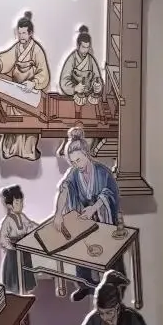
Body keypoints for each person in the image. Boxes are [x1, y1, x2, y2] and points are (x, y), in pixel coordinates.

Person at [53, 126, 123, 301]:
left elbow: (108, 194)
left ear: (87, 154)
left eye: (79, 160)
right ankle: (85, 285)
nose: (77, 165)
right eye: (73, 162)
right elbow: (64, 190)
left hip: (103, 217)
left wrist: (94, 208)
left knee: (107, 252)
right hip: (84, 217)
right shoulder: (74, 173)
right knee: (81, 249)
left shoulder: (102, 172)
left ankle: (112, 288)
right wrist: (58, 213)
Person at [0, 11, 51, 161]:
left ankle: (28, 151)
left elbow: (44, 73)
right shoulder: (17, 48)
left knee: (29, 123)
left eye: (24, 33)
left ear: (30, 33)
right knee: (12, 121)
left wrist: (34, 83)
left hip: (31, 92)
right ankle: (10, 150)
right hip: (16, 91)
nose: (21, 36)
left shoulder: (37, 50)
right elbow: (6, 58)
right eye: (19, 33)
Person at [0, 185, 39, 295]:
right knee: (16, 275)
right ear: (10, 205)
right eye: (17, 203)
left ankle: (25, 292)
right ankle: (17, 294)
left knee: (26, 273)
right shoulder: (7, 221)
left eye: (21, 202)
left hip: (24, 250)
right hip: (14, 253)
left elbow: (29, 225)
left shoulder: (22, 216)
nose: (20, 205)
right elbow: (2, 239)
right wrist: (11, 246)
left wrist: (38, 228)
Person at [58, 25, 105, 105]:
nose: (85, 50)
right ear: (78, 45)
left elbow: (97, 77)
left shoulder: (91, 60)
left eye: (87, 47)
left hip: (89, 97)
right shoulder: (72, 59)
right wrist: (75, 88)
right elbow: (64, 81)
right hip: (74, 96)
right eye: (83, 47)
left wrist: (98, 86)